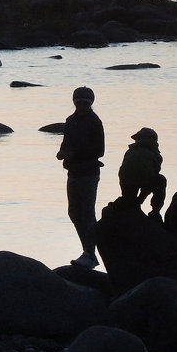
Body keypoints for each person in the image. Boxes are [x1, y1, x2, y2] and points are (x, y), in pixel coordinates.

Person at [56, 86, 105, 269]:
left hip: (89, 173)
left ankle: (90, 253)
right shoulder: (70, 121)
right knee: (74, 212)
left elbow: (100, 150)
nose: (81, 105)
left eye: (84, 102)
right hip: (73, 172)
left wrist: (74, 153)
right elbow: (66, 143)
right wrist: (62, 152)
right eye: (78, 102)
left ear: (90, 103)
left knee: (87, 212)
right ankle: (87, 250)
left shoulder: (94, 122)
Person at [117, 127, 167, 219]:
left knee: (130, 197)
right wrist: (140, 199)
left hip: (126, 184)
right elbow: (153, 176)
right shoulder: (156, 155)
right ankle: (155, 211)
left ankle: (129, 202)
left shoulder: (129, 151)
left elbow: (124, 171)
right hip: (140, 182)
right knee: (161, 180)